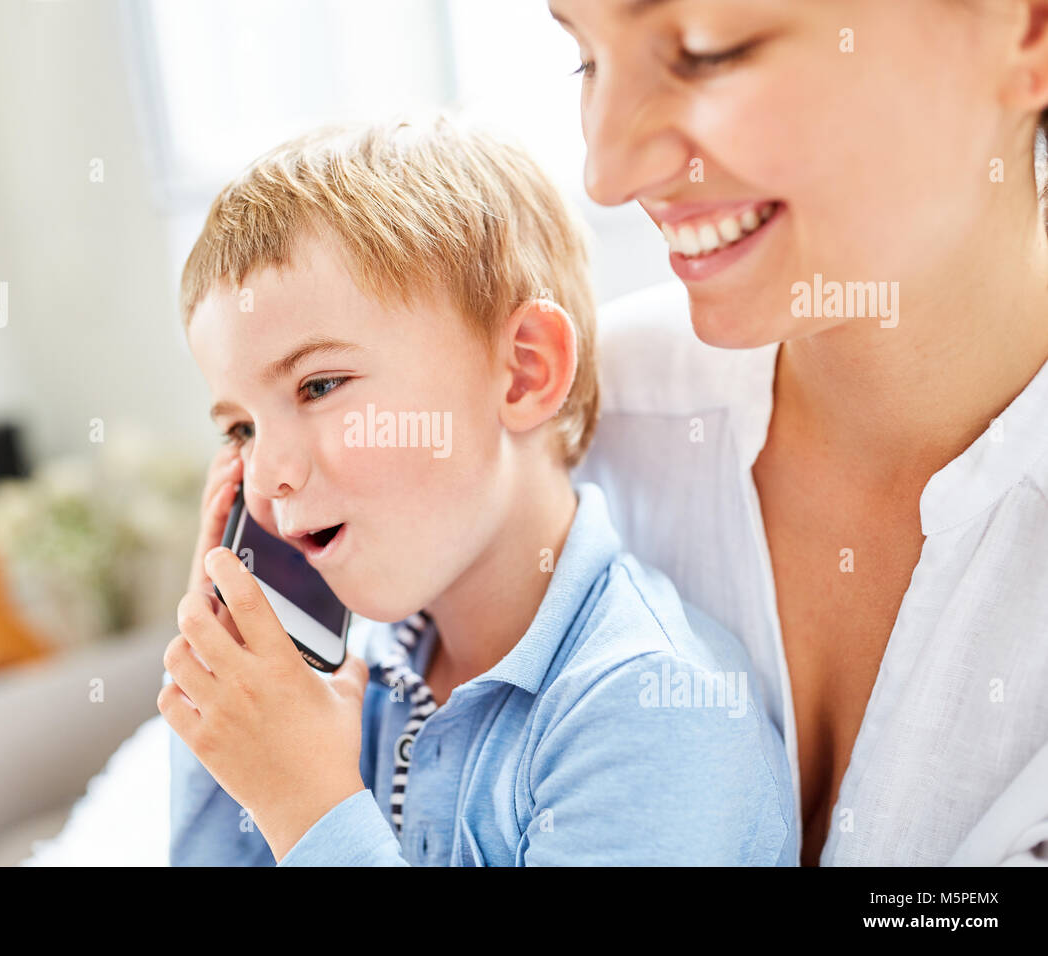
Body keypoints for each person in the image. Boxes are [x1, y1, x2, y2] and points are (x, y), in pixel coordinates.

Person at [157, 115, 795, 865]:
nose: (265, 476)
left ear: (524, 372)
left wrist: (309, 804)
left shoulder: (650, 712)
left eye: (319, 385)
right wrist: (228, 720)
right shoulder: (370, 676)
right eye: (240, 430)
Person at [551, 0, 1048, 864]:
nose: (607, 170)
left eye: (709, 52)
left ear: (1024, 30)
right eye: (586, 60)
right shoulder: (556, 432)